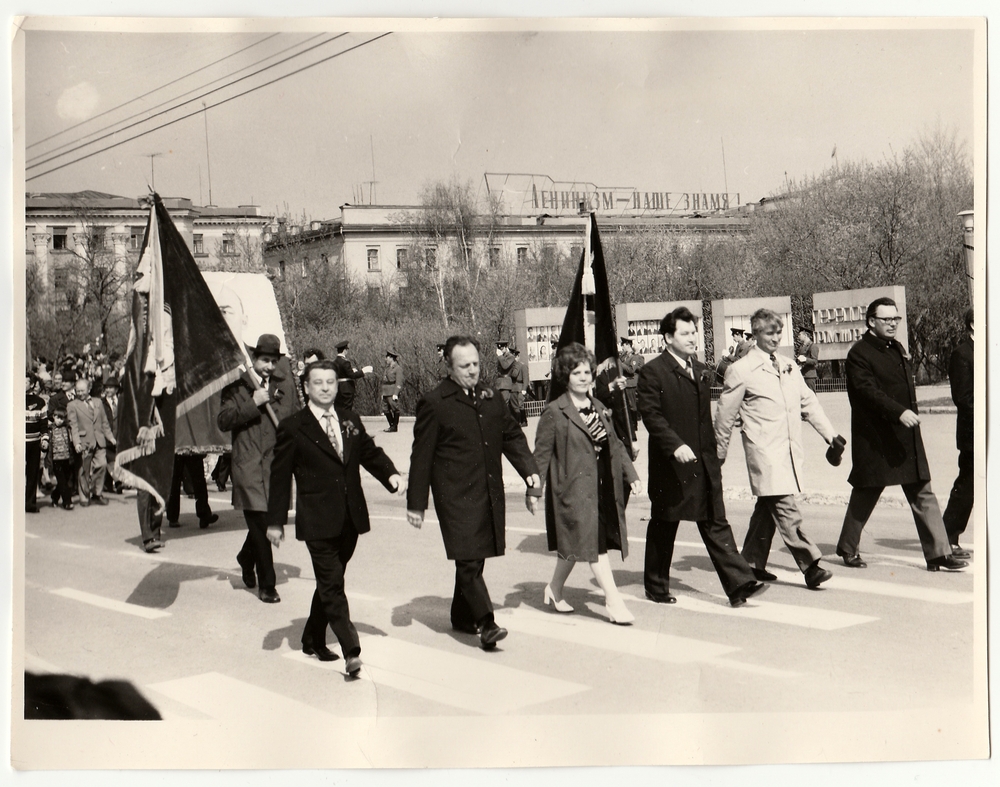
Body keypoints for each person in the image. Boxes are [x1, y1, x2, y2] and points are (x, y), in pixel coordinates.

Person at [267, 360, 405, 677]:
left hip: (350, 519)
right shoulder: (293, 427)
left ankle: (312, 637)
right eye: (319, 382)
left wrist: (391, 475)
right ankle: (351, 651)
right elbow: (279, 477)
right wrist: (275, 522)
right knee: (332, 586)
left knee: (331, 583)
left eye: (331, 382)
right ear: (306, 387)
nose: (327, 387)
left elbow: (369, 452)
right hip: (317, 520)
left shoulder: (349, 419)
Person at [406, 336, 540, 649]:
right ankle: (487, 623)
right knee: (468, 560)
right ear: (450, 367)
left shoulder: (491, 396)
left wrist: (530, 472)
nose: (472, 371)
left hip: (487, 489)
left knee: (474, 559)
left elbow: (511, 436)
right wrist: (416, 503)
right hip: (454, 495)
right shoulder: (435, 401)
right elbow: (421, 455)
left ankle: (462, 615)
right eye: (464, 366)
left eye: (476, 364)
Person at [636, 307, 764, 607]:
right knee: (665, 524)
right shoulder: (653, 372)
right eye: (685, 333)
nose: (693, 337)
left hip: (704, 462)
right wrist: (674, 445)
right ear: (668, 337)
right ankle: (655, 586)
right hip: (672, 465)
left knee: (715, 521)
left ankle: (739, 584)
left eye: (694, 331)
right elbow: (651, 416)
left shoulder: (702, 369)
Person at [834, 297, 968, 572]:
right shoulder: (859, 353)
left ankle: (938, 554)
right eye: (886, 319)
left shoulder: (896, 348)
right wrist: (898, 412)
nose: (893, 324)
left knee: (922, 491)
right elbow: (866, 391)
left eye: (895, 319)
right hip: (876, 438)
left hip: (905, 437)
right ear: (871, 322)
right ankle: (848, 548)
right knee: (866, 492)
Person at [715, 309, 843, 589]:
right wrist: (718, 453)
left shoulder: (788, 366)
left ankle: (750, 562)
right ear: (756, 334)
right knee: (785, 507)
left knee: (768, 506)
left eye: (777, 333)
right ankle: (810, 565)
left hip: (787, 449)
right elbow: (725, 415)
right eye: (767, 333)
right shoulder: (741, 370)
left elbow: (807, 402)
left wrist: (830, 435)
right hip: (763, 452)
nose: (774, 338)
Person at [529, 343, 642, 624]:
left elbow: (614, 445)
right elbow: (540, 457)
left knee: (576, 547)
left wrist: (633, 475)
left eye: (587, 372)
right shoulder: (555, 412)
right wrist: (534, 490)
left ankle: (554, 589)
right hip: (572, 491)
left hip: (601, 488)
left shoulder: (599, 407)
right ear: (565, 376)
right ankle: (613, 602)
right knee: (595, 548)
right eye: (576, 372)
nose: (583, 377)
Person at [218, 334, 300, 603]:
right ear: (253, 359)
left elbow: (294, 423)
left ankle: (245, 557)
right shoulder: (237, 386)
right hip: (248, 465)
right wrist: (252, 403)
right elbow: (224, 420)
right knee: (261, 524)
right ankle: (268, 585)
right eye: (264, 360)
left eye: (273, 361)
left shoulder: (284, 386)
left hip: (275, 466)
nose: (269, 366)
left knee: (266, 522)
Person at [943, 308, 974, 552]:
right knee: (968, 485)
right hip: (974, 433)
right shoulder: (962, 354)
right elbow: (963, 397)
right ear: (973, 325)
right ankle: (948, 536)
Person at [67, 377, 116, 507]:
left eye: (82, 390)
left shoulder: (98, 402)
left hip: (99, 441)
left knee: (102, 465)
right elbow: (73, 426)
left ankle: (97, 493)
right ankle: (84, 496)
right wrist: (76, 442)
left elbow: (104, 423)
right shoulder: (72, 405)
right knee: (83, 470)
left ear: (89, 389)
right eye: (77, 390)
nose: (80, 393)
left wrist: (110, 437)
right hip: (84, 442)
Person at [165, 454, 218, 529]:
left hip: (187, 445)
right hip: (183, 446)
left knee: (197, 477)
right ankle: (173, 516)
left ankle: (203, 514)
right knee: (177, 479)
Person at [26, 373, 48, 514]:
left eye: (26, 382)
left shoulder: (40, 402)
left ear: (32, 385)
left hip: (34, 443)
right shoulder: (12, 397)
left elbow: (43, 424)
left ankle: (30, 503)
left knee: (33, 473)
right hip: (17, 442)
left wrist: (44, 439)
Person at [46, 409, 75, 510]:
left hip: (66, 457)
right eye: (58, 418)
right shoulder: (50, 429)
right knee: (62, 480)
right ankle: (67, 502)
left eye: (62, 418)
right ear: (53, 417)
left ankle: (55, 496)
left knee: (65, 479)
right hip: (56, 459)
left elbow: (70, 442)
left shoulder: (66, 428)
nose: (60, 421)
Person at [332, 340, 372, 410]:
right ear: (344, 350)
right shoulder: (345, 362)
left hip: (338, 387)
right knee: (347, 409)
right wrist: (363, 371)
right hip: (346, 388)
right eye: (347, 349)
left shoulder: (335, 361)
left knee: (339, 408)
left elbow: (341, 373)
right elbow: (352, 375)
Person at [100, 376, 122, 495]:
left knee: (116, 459)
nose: (108, 390)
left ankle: (108, 485)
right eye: (106, 388)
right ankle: (117, 481)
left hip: (118, 435)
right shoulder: (101, 403)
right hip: (106, 436)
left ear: (116, 390)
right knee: (110, 459)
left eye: (110, 388)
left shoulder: (122, 401)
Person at [618, 336, 645, 426]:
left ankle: (634, 424)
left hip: (631, 383)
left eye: (624, 345)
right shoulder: (624, 355)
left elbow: (631, 370)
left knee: (632, 404)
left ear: (628, 345)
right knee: (627, 405)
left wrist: (621, 364)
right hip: (626, 383)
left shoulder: (634, 357)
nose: (622, 347)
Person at [380, 348, 404, 432]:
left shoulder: (397, 368)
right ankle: (391, 425)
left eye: (387, 357)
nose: (386, 359)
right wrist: (382, 393)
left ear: (391, 358)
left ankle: (394, 426)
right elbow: (384, 381)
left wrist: (396, 393)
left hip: (392, 391)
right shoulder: (387, 368)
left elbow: (399, 382)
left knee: (395, 409)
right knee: (385, 409)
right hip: (385, 391)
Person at [509, 347, 529, 427]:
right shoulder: (511, 367)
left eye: (515, 356)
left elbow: (526, 378)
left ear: (518, 356)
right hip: (513, 387)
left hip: (520, 387)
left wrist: (524, 388)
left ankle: (524, 420)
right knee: (514, 405)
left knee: (520, 405)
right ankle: (518, 421)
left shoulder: (522, 366)